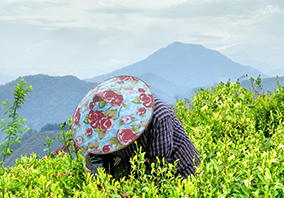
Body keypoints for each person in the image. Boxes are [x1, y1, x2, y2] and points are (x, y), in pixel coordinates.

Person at [71, 75, 200, 179]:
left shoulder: (159, 116)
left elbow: (159, 166)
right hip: (137, 168)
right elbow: (98, 155)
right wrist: (100, 183)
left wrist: (137, 193)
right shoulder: (98, 128)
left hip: (180, 168)